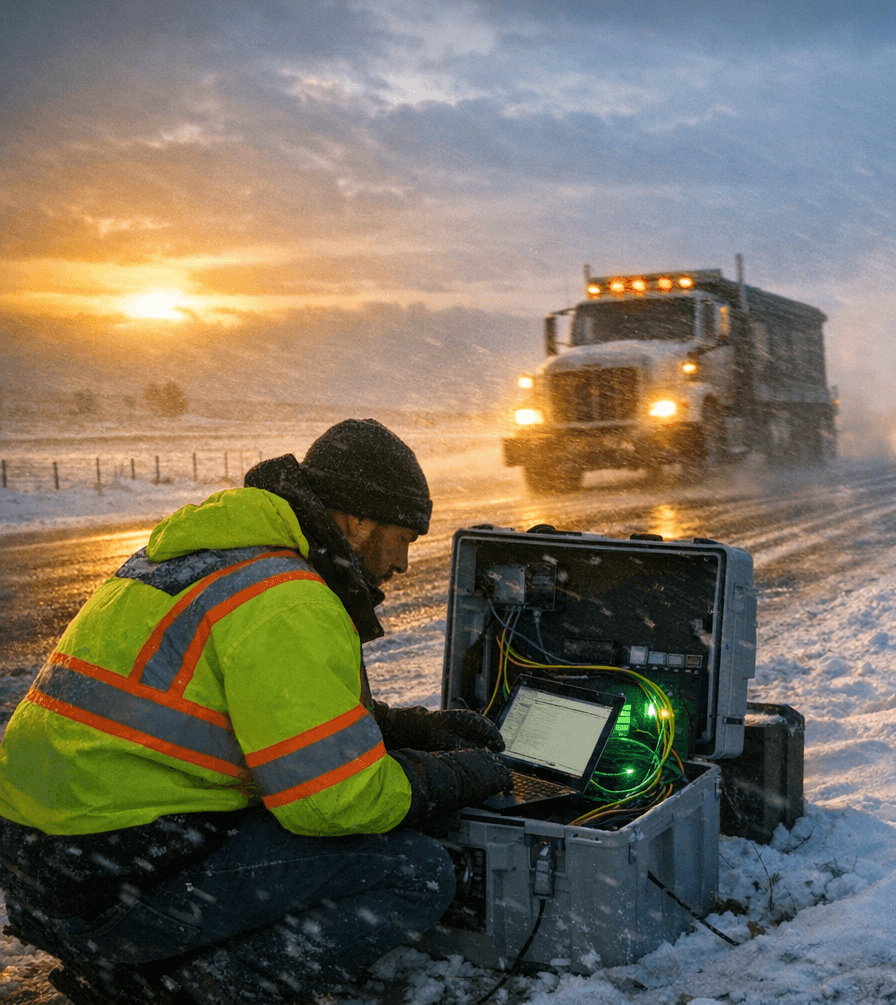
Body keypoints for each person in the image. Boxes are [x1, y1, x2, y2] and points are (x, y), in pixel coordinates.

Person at [0, 419, 518, 1005]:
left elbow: (259, 711)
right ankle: (170, 992)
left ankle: (135, 966)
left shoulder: (205, 559)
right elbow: (336, 802)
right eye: (403, 537)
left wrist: (411, 729)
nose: (401, 562)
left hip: (44, 868)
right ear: (359, 518)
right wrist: (454, 776)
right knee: (413, 870)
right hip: (111, 889)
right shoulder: (286, 597)